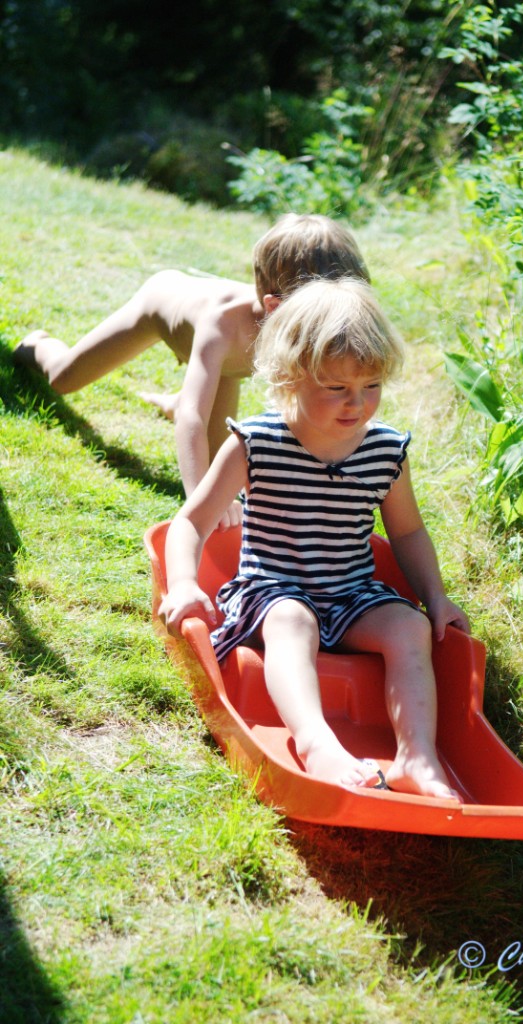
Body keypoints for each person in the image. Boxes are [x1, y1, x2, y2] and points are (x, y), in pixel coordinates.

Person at [157, 277, 470, 798]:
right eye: (336, 388)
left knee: (409, 627)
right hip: (271, 592)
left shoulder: (385, 451)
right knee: (292, 619)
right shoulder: (257, 442)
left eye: (372, 386)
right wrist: (185, 583)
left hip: (350, 594)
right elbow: (190, 522)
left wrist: (435, 598)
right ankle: (317, 744)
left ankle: (417, 757)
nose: (357, 404)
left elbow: (408, 532)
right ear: (290, 377)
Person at [13, 214, 370, 526]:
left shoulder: (312, 326)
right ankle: (38, 344)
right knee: (64, 378)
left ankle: (175, 398)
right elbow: (193, 417)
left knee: (218, 467)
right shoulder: (222, 326)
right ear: (275, 307)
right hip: (160, 304)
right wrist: (199, 503)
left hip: (229, 368)